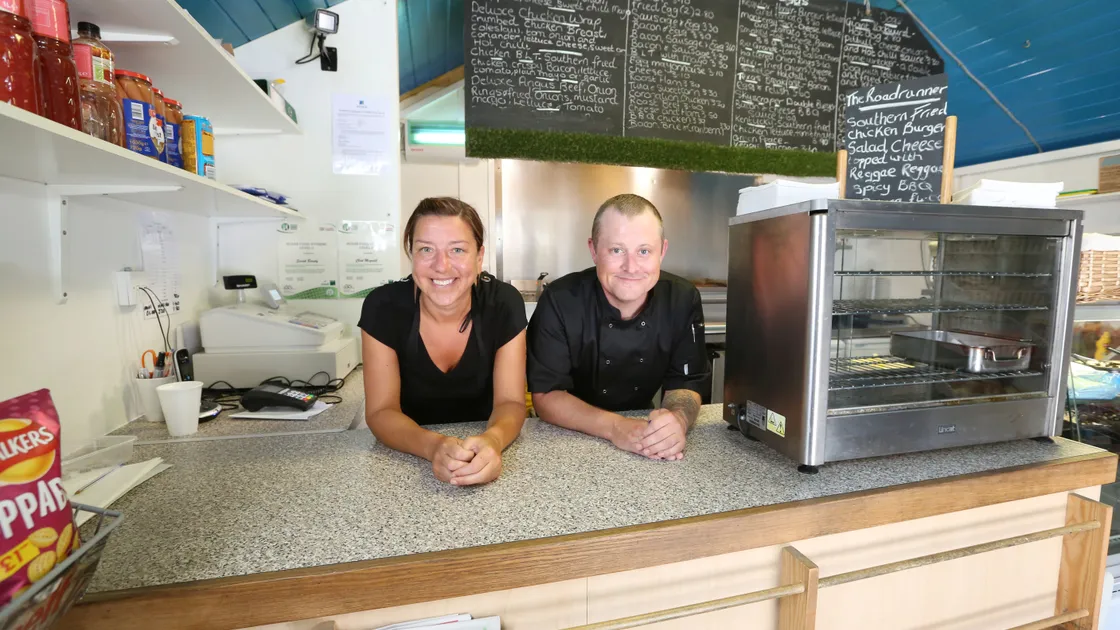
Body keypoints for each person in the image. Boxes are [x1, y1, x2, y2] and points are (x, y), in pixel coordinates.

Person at [528, 194, 709, 460]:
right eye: (616, 250)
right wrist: (616, 428)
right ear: (593, 249)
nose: (631, 267)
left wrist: (676, 421)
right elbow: (547, 396)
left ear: (663, 251)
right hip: (565, 437)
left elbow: (685, 383)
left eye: (644, 251)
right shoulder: (560, 300)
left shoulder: (682, 299)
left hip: (641, 436)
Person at [359, 197, 527, 486]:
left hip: (484, 448)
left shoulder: (504, 303)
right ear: (411, 254)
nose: (442, 265)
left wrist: (493, 440)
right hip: (407, 455)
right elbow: (380, 411)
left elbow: (510, 401)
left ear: (479, 257)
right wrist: (433, 446)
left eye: (458, 250)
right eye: (426, 249)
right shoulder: (382, 306)